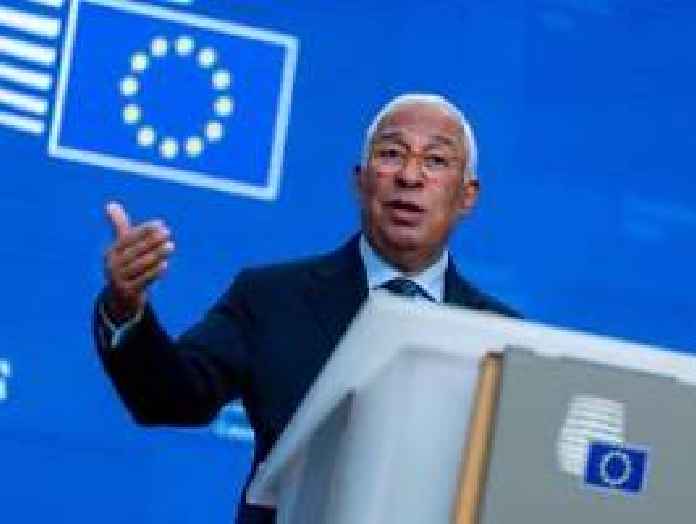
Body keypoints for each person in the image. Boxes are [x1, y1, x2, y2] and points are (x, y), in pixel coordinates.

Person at [93, 93, 520, 524]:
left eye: (436, 161)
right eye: (391, 154)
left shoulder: (503, 341)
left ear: (467, 195)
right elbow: (168, 398)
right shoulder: (272, 298)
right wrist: (125, 308)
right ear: (360, 180)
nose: (410, 176)